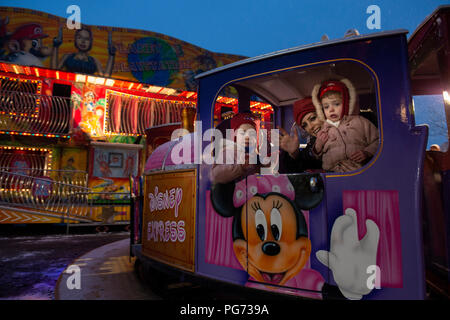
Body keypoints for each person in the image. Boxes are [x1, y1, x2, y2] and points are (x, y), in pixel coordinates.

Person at [311, 79, 379, 172]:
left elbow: (378, 140)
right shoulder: (323, 130)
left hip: (360, 170)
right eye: (326, 107)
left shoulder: (360, 121)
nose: (331, 110)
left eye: (336, 104)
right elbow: (316, 158)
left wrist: (367, 152)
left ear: (346, 104)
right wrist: (318, 146)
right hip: (333, 175)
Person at [210, 113, 261, 183]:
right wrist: (240, 167)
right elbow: (215, 175)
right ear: (235, 137)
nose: (247, 137)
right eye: (242, 133)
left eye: (252, 134)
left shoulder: (255, 155)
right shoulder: (228, 152)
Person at [278, 97, 323, 173]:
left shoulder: (346, 133)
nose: (310, 127)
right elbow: (293, 173)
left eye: (313, 118)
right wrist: (293, 154)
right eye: (304, 125)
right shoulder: (312, 148)